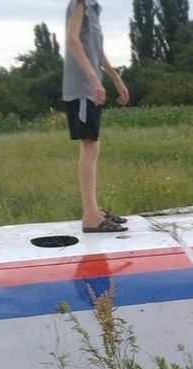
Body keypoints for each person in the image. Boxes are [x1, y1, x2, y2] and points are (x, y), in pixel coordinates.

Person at [63, 0, 130, 232]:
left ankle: (94, 210)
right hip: (81, 87)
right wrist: (92, 78)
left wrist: (115, 78)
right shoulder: (80, 3)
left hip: (90, 86)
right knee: (89, 146)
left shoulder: (93, 7)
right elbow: (72, 38)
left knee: (93, 145)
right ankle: (90, 216)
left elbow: (97, 52)